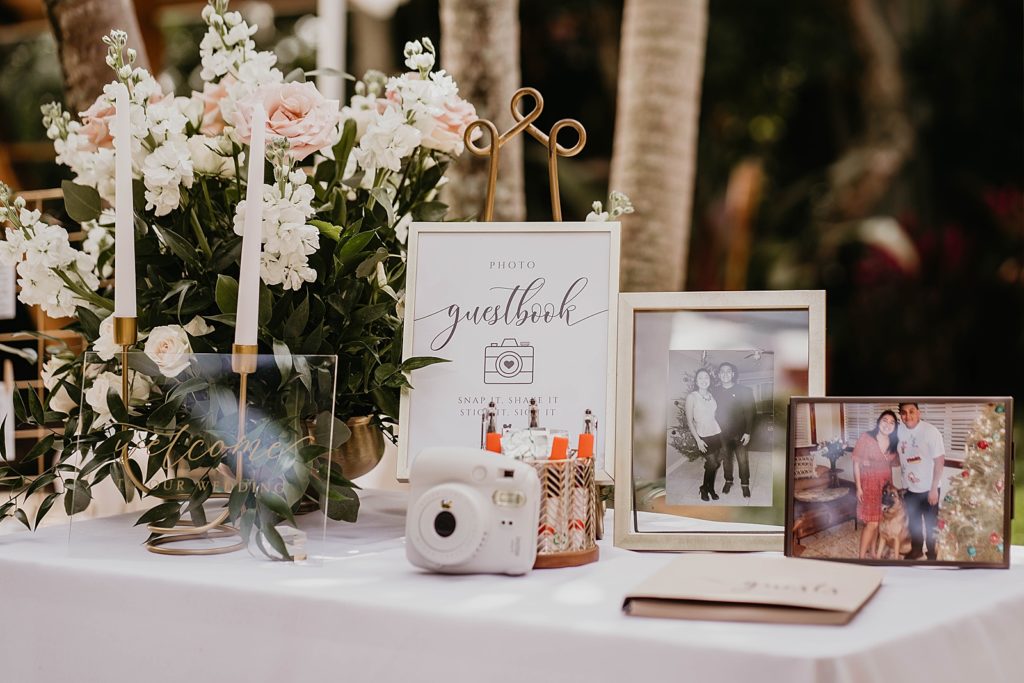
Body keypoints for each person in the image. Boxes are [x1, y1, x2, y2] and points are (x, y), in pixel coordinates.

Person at [896, 403, 946, 560]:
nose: (908, 416)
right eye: (903, 413)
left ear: (918, 412)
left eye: (911, 411)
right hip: (909, 489)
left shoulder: (930, 431)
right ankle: (916, 550)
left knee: (931, 525)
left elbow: (940, 461)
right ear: (900, 415)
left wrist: (933, 489)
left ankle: (932, 554)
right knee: (914, 524)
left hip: (928, 489)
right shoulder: (900, 430)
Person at [853, 410, 899, 559]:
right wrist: (858, 487)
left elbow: (892, 464)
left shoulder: (894, 443)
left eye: (892, 422)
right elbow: (856, 463)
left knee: (879, 521)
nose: (888, 424)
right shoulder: (866, 438)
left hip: (885, 486)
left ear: (895, 427)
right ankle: (861, 558)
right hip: (869, 484)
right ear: (879, 421)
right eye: (885, 420)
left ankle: (873, 552)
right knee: (871, 523)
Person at [711, 362, 756, 497]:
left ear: (732, 374)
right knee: (727, 459)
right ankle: (728, 480)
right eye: (722, 371)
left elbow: (750, 412)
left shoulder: (745, 390)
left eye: (728, 371)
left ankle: (745, 484)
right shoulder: (714, 392)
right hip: (722, 433)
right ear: (719, 375)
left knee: (742, 460)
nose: (725, 373)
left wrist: (748, 432)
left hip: (740, 433)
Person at [685, 369, 722, 502]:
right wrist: (698, 441)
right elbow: (689, 421)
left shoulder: (712, 395)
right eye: (700, 378)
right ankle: (704, 488)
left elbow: (713, 415)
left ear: (710, 380)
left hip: (716, 432)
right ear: (696, 381)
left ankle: (709, 488)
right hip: (702, 434)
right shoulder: (692, 397)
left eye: (706, 377)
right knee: (712, 462)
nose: (704, 380)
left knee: (714, 463)